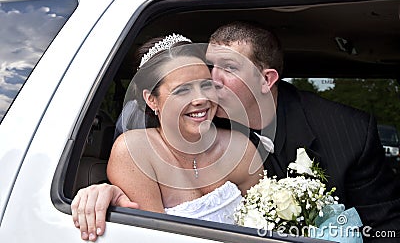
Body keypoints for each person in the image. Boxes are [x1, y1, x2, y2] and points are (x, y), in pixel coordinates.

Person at [72, 22, 400, 241]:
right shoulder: (150, 143)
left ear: (266, 80)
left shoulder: (347, 132)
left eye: (223, 71)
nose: (208, 89)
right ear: (152, 100)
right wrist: (105, 191)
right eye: (208, 69)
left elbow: (384, 227)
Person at [72, 33, 265, 241]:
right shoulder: (135, 151)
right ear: (152, 100)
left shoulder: (240, 148)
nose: (200, 99)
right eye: (183, 90)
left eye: (206, 85)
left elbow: (264, 225)